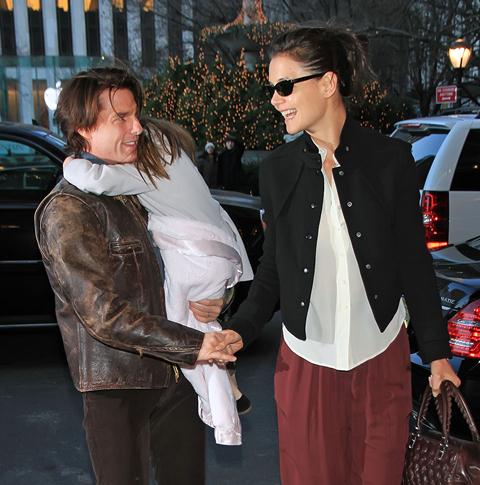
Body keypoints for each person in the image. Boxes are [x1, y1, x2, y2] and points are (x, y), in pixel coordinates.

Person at [222, 25, 461, 485]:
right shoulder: (277, 170)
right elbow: (272, 270)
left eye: (285, 86)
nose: (275, 100)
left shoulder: (390, 160)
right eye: (272, 88)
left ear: (328, 82)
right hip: (306, 363)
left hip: (381, 358)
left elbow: (413, 263)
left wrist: (436, 354)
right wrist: (240, 330)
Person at [34, 67, 237, 485]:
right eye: (122, 118)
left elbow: (195, 248)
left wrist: (221, 297)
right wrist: (194, 345)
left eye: (136, 115)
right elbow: (102, 314)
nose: (138, 128)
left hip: (176, 378)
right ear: (83, 128)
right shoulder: (69, 208)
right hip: (118, 386)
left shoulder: (136, 185)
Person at [62, 117, 253, 446]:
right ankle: (228, 393)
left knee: (184, 339)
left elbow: (97, 180)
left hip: (195, 257)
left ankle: (220, 412)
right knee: (199, 331)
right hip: (215, 256)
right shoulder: (177, 160)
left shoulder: (147, 170)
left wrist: (70, 164)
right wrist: (226, 291)